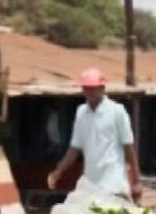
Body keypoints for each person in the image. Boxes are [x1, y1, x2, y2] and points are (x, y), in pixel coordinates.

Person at [47, 68, 141, 202]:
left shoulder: (117, 111)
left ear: (102, 88)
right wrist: (58, 171)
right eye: (85, 88)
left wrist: (136, 181)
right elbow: (74, 149)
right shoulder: (81, 113)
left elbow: (129, 147)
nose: (88, 92)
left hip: (113, 183)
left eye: (92, 88)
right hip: (91, 185)